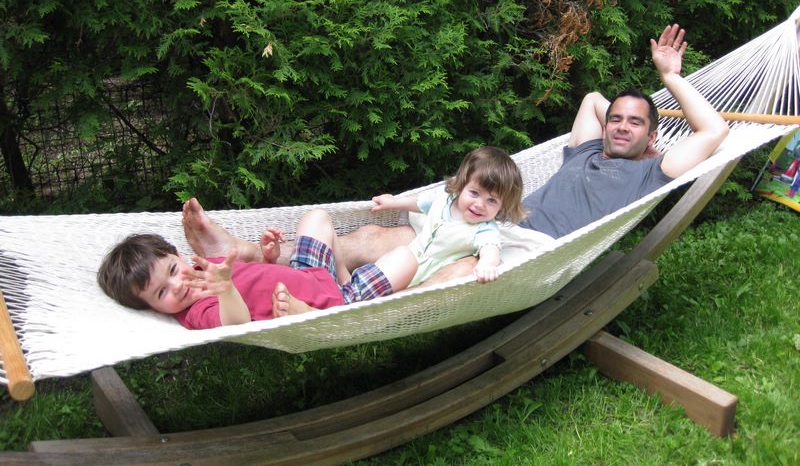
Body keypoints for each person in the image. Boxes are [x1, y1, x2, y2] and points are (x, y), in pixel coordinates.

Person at [183, 23, 729, 286]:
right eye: (618, 119)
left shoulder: (654, 173)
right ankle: (248, 254)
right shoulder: (586, 149)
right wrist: (622, 122)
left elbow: (714, 130)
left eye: (635, 123)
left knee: (458, 269)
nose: (621, 126)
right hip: (493, 220)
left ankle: (356, 307)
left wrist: (669, 80)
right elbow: (590, 98)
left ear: (654, 136)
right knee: (376, 235)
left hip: (533, 248)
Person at [96, 208, 416, 330]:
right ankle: (347, 294)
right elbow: (238, 320)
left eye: (172, 271)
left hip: (309, 275)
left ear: (179, 255)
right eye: (161, 292)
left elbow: (256, 280)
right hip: (329, 305)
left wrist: (269, 258)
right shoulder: (197, 311)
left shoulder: (206, 268)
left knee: (316, 218)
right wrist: (224, 290)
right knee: (406, 259)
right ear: (153, 308)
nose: (177, 285)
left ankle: (342, 275)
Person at [369, 146, 526, 285]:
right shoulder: (445, 199)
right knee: (379, 269)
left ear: (501, 206)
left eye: (492, 200)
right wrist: (393, 203)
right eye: (474, 193)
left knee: (382, 288)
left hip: (424, 279)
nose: (479, 204)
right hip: (402, 262)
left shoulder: (485, 229)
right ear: (462, 185)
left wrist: (487, 265)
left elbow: (491, 249)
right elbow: (419, 202)